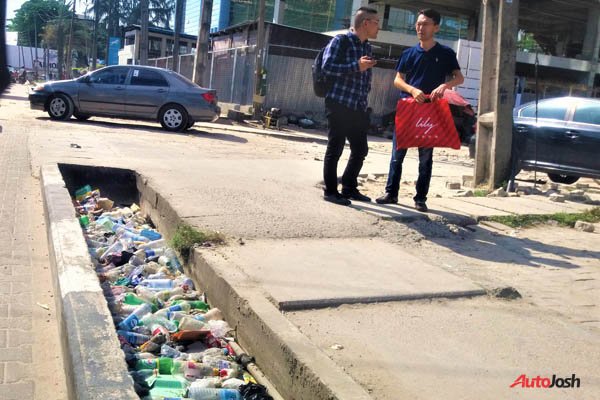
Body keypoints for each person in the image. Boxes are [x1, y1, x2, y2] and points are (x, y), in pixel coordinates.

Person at [376, 8, 464, 212]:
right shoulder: (408, 53)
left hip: (430, 111)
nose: (420, 27)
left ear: (436, 27)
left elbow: (459, 78)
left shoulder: (446, 53)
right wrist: (412, 89)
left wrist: (444, 86)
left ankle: (421, 198)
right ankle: (391, 193)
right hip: (408, 109)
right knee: (398, 153)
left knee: (426, 157)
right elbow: (398, 80)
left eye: (425, 24)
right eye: (418, 23)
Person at [321, 6, 379, 206]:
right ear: (365, 23)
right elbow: (327, 67)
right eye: (376, 22)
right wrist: (356, 66)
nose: (378, 26)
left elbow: (364, 77)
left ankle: (348, 187)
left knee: (360, 149)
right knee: (335, 148)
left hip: (358, 106)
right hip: (338, 103)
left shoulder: (367, 47)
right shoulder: (340, 41)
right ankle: (330, 191)